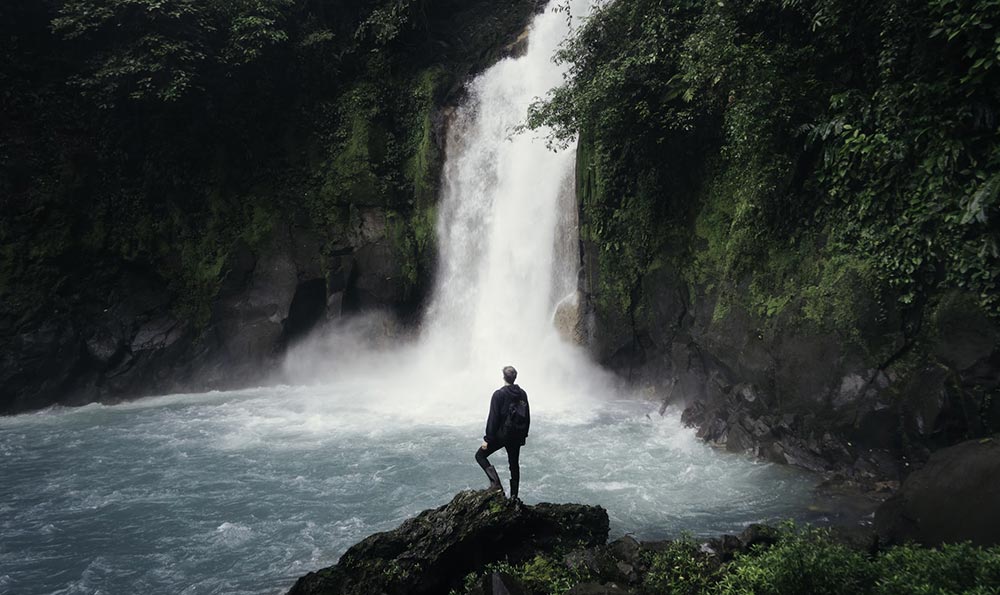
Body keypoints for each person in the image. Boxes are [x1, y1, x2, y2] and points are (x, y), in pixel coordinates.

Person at [475, 365, 530, 500]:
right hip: (516, 435)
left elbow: (493, 418)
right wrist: (524, 435)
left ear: (503, 377)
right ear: (515, 377)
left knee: (480, 456)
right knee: (514, 465)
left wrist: (487, 439)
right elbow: (527, 416)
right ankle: (514, 497)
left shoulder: (499, 394)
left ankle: (496, 484)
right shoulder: (522, 393)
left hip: (502, 435)